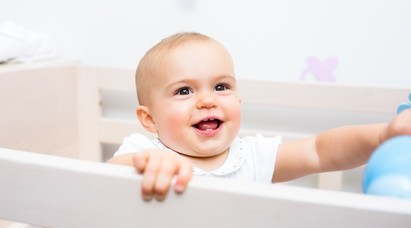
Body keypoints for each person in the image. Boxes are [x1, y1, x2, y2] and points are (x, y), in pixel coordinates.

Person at [108, 32, 411, 201]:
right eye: (184, 91)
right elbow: (106, 177)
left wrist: (384, 137)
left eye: (221, 86)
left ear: (238, 98)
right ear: (149, 120)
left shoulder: (252, 157)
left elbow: (320, 151)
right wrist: (144, 166)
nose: (207, 100)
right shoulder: (143, 153)